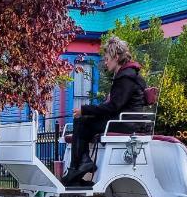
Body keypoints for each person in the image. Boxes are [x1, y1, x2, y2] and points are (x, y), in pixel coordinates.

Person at [63, 37, 147, 186]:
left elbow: (113, 107)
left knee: (82, 122)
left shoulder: (125, 77)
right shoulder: (127, 76)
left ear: (116, 57)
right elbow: (115, 105)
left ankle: (79, 167)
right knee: (83, 121)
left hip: (127, 123)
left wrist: (84, 109)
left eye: (107, 58)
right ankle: (80, 165)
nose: (105, 62)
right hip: (126, 120)